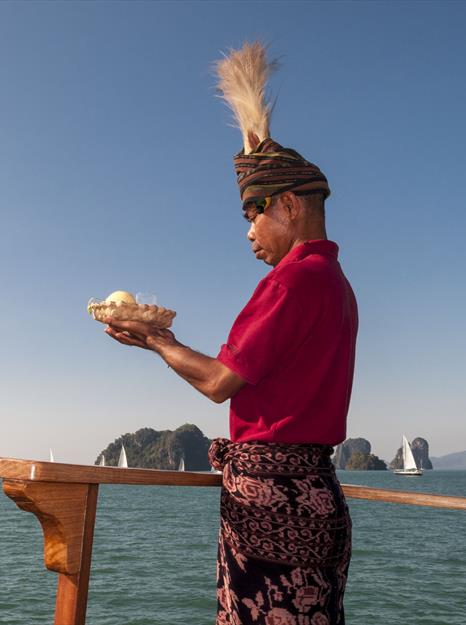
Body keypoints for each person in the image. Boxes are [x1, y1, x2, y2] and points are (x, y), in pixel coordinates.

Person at [103, 136, 358, 624]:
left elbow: (220, 381)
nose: (248, 233)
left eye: (252, 215)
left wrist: (158, 341)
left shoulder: (292, 280)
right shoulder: (336, 282)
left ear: (287, 204)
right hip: (317, 495)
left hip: (272, 501)